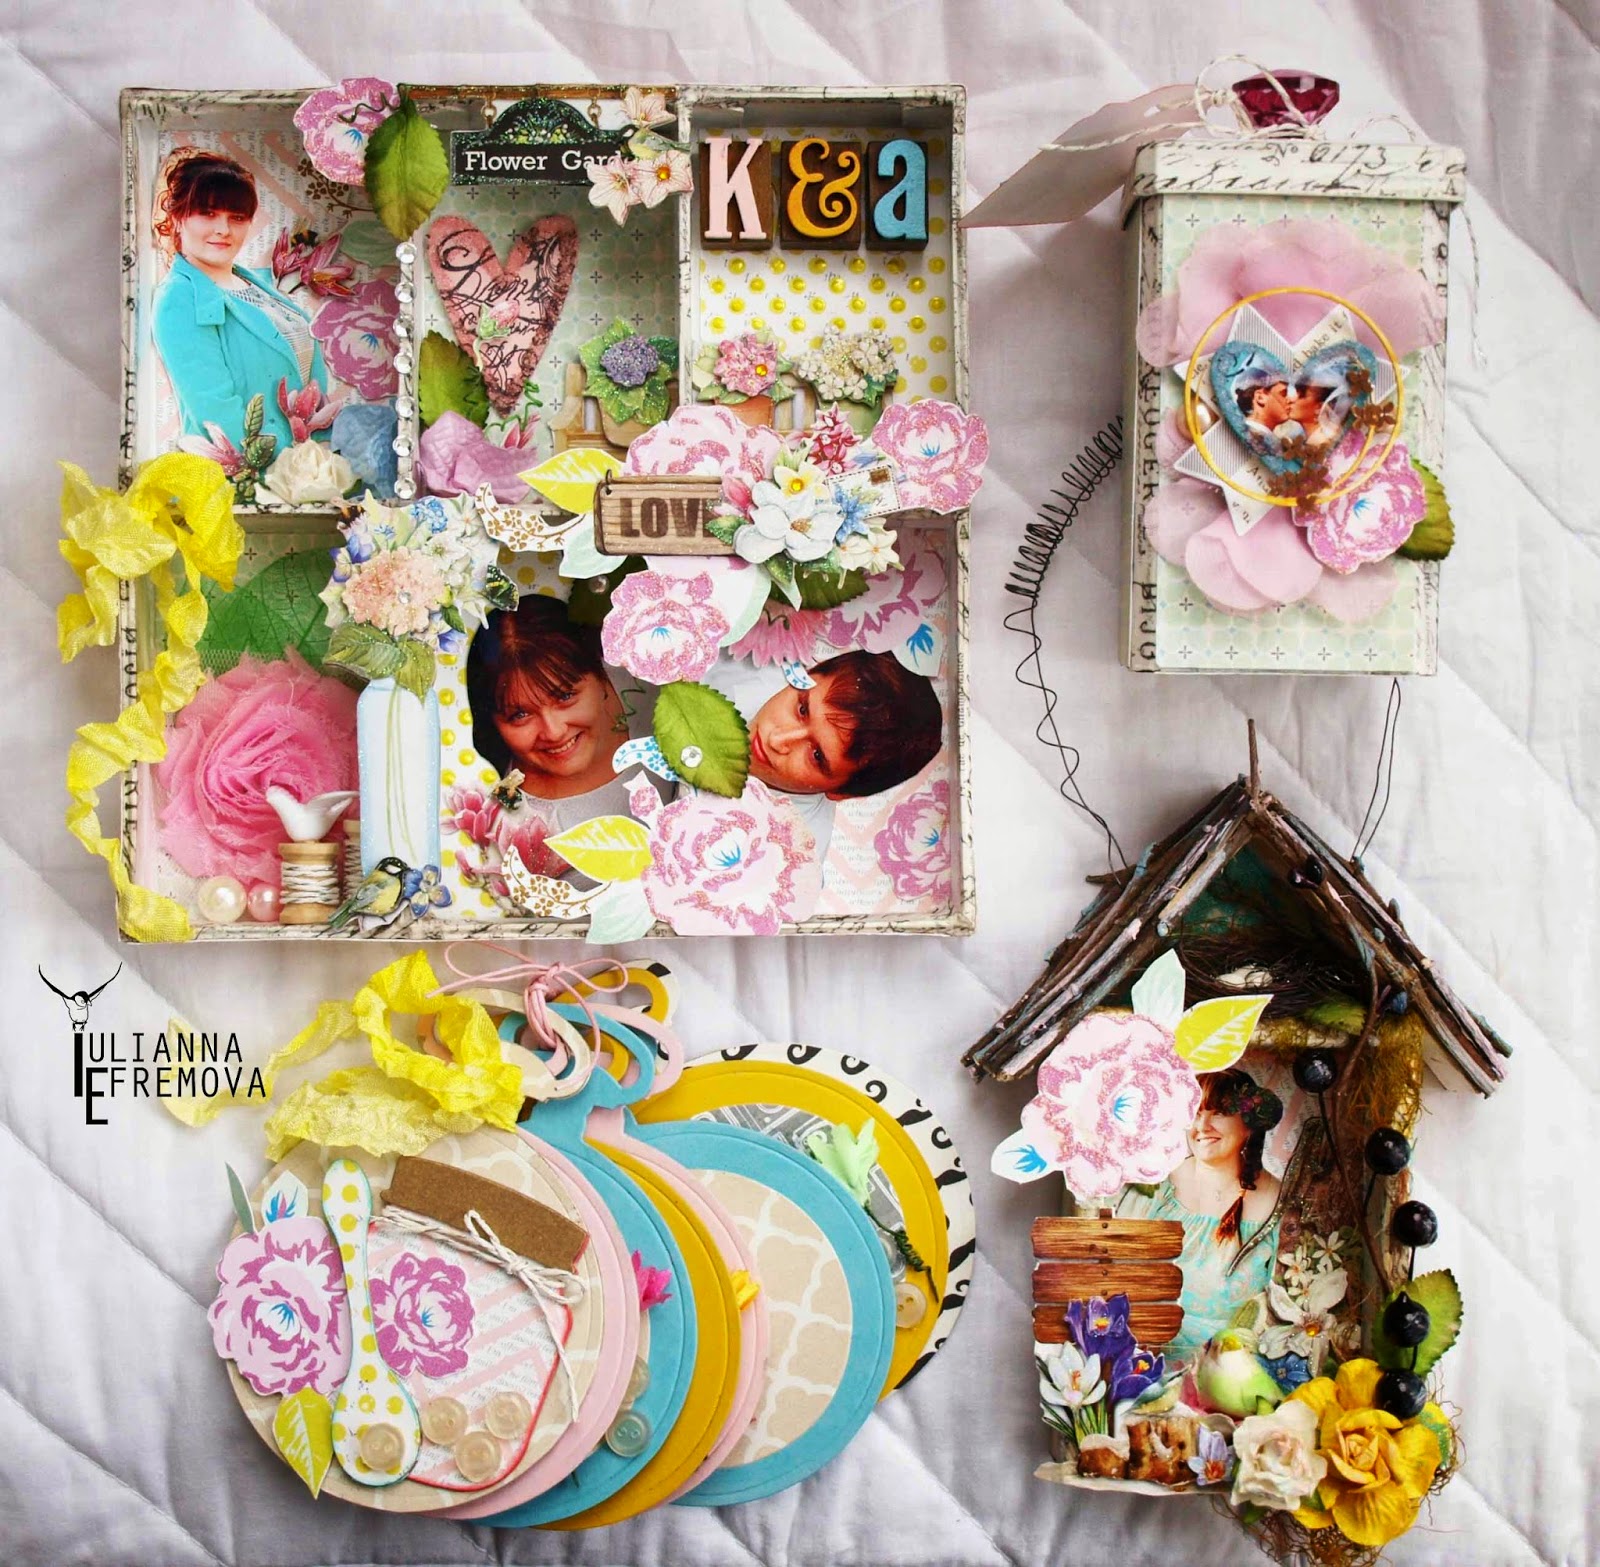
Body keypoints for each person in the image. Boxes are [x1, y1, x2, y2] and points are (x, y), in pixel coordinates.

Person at [151, 148, 327, 453]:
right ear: (178, 218)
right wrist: (289, 468)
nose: (223, 229)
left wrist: (320, 455)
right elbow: (217, 413)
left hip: (306, 463)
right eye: (207, 213)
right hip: (248, 473)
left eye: (237, 217)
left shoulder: (257, 283)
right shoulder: (179, 298)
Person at [703, 649, 944, 861]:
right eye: (802, 709)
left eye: (817, 756)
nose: (776, 740)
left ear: (841, 792)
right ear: (811, 671)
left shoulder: (790, 860)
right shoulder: (750, 656)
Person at [1117, 1067, 1285, 1368]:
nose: (1202, 1126)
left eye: (1218, 1113)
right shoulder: (1156, 1185)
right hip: (1152, 1362)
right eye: (1195, 1113)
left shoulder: (1278, 1199)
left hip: (1241, 1368)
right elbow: (1118, 1273)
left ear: (1249, 1124)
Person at [466, 594, 645, 829]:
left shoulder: (647, 683)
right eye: (520, 715)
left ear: (601, 675)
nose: (554, 732)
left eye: (565, 696)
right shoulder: (509, 819)